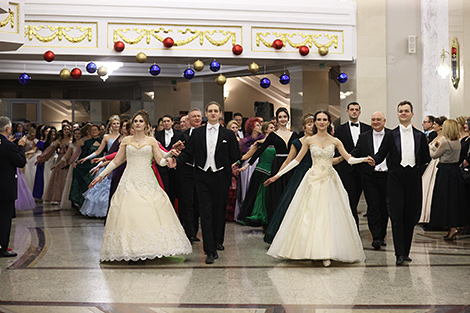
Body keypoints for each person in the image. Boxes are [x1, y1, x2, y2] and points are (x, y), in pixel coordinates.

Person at [264, 110, 367, 267]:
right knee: (309, 215)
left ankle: (328, 252)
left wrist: (364, 159)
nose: (321, 122)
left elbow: (349, 159)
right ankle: (309, 250)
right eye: (318, 119)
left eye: (324, 119)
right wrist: (277, 175)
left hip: (330, 181)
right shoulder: (308, 141)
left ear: (328, 122)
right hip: (312, 180)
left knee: (329, 216)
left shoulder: (336, 141)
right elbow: (296, 161)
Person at [89, 110, 191, 263]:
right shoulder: (126, 141)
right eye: (135, 121)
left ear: (146, 125)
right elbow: (117, 161)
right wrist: (101, 176)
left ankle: (150, 248)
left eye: (140, 121)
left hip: (147, 179)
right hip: (129, 180)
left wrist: (170, 155)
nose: (137, 123)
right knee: (129, 213)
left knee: (149, 212)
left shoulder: (152, 142)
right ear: (132, 124)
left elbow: (161, 161)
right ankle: (129, 249)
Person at [171, 101, 240, 264]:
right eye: (210, 111)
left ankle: (217, 241)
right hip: (202, 176)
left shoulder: (228, 134)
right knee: (205, 212)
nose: (213, 113)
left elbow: (235, 155)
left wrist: (223, 166)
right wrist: (177, 161)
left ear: (220, 114)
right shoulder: (198, 133)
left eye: (216, 111)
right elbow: (189, 153)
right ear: (206, 114)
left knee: (219, 211)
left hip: (221, 176)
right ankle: (209, 250)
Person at [370, 100, 430, 266]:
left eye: (406, 111)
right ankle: (399, 253)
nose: (403, 113)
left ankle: (406, 252)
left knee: (410, 216)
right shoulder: (390, 135)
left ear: (412, 114)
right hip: (395, 179)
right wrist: (372, 160)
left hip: (413, 179)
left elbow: (425, 158)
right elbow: (381, 154)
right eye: (400, 111)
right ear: (397, 115)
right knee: (396, 216)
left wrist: (417, 173)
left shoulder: (419, 135)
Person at [264, 113, 317, 244]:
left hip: (317, 176)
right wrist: (277, 175)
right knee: (295, 206)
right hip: (300, 176)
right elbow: (288, 161)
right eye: (309, 123)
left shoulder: (320, 141)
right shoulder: (297, 143)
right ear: (304, 127)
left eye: (313, 123)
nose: (312, 126)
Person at [240, 108, 298, 225]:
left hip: (291, 165)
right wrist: (248, 165)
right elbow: (260, 151)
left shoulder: (295, 134)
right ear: (276, 119)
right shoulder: (272, 135)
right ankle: (275, 223)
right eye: (280, 117)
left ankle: (290, 223)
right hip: (277, 165)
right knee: (276, 193)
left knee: (290, 193)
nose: (283, 119)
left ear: (288, 118)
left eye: (285, 117)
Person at [351, 111, 390, 250]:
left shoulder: (391, 135)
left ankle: (382, 234)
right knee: (373, 206)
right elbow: (356, 152)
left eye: (378, 119)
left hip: (387, 176)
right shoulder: (364, 136)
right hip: (370, 177)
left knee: (385, 207)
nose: (375, 122)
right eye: (373, 119)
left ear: (384, 120)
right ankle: (376, 237)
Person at [429, 119, 468, 240]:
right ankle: (453, 226)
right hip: (455, 172)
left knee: (444, 199)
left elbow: (434, 156)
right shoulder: (458, 141)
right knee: (453, 200)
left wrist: (432, 148)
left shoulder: (445, 142)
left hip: (445, 172)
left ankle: (450, 226)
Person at [334, 102, 371, 227]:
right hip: (346, 169)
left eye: (356, 110)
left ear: (360, 112)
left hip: (364, 169)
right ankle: (352, 228)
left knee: (370, 201)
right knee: (350, 200)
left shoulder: (367, 128)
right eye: (352, 109)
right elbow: (336, 149)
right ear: (347, 111)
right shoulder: (340, 129)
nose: (354, 111)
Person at [237, 121, 276, 226]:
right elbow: (248, 155)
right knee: (257, 195)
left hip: (273, 173)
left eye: (274, 127)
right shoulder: (259, 143)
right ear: (265, 130)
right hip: (260, 171)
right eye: (271, 127)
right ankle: (256, 216)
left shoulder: (278, 143)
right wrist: (237, 162)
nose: (273, 129)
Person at [0, 116, 27, 257]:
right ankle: (2, 247)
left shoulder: (6, 144)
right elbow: (21, 162)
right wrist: (21, 146)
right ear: (8, 129)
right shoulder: (10, 146)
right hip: (5, 188)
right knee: (4, 218)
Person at [175, 109, 202, 242]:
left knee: (198, 202)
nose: (197, 118)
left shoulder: (205, 135)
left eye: (199, 116)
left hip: (201, 173)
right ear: (188, 120)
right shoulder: (182, 135)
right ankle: (188, 232)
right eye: (194, 117)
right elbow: (175, 151)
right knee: (187, 202)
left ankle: (194, 232)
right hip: (186, 172)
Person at [419, 116, 447, 226]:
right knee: (425, 188)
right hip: (431, 164)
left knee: (431, 189)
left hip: (436, 163)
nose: (433, 126)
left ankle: (430, 215)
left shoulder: (443, 139)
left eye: (435, 124)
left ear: (441, 126)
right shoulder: (436, 137)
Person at [155, 114, 181, 205]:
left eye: (168, 121)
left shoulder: (179, 134)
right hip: (162, 164)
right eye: (164, 121)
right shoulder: (157, 135)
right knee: (164, 188)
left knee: (173, 189)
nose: (166, 123)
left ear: (172, 122)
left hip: (175, 165)